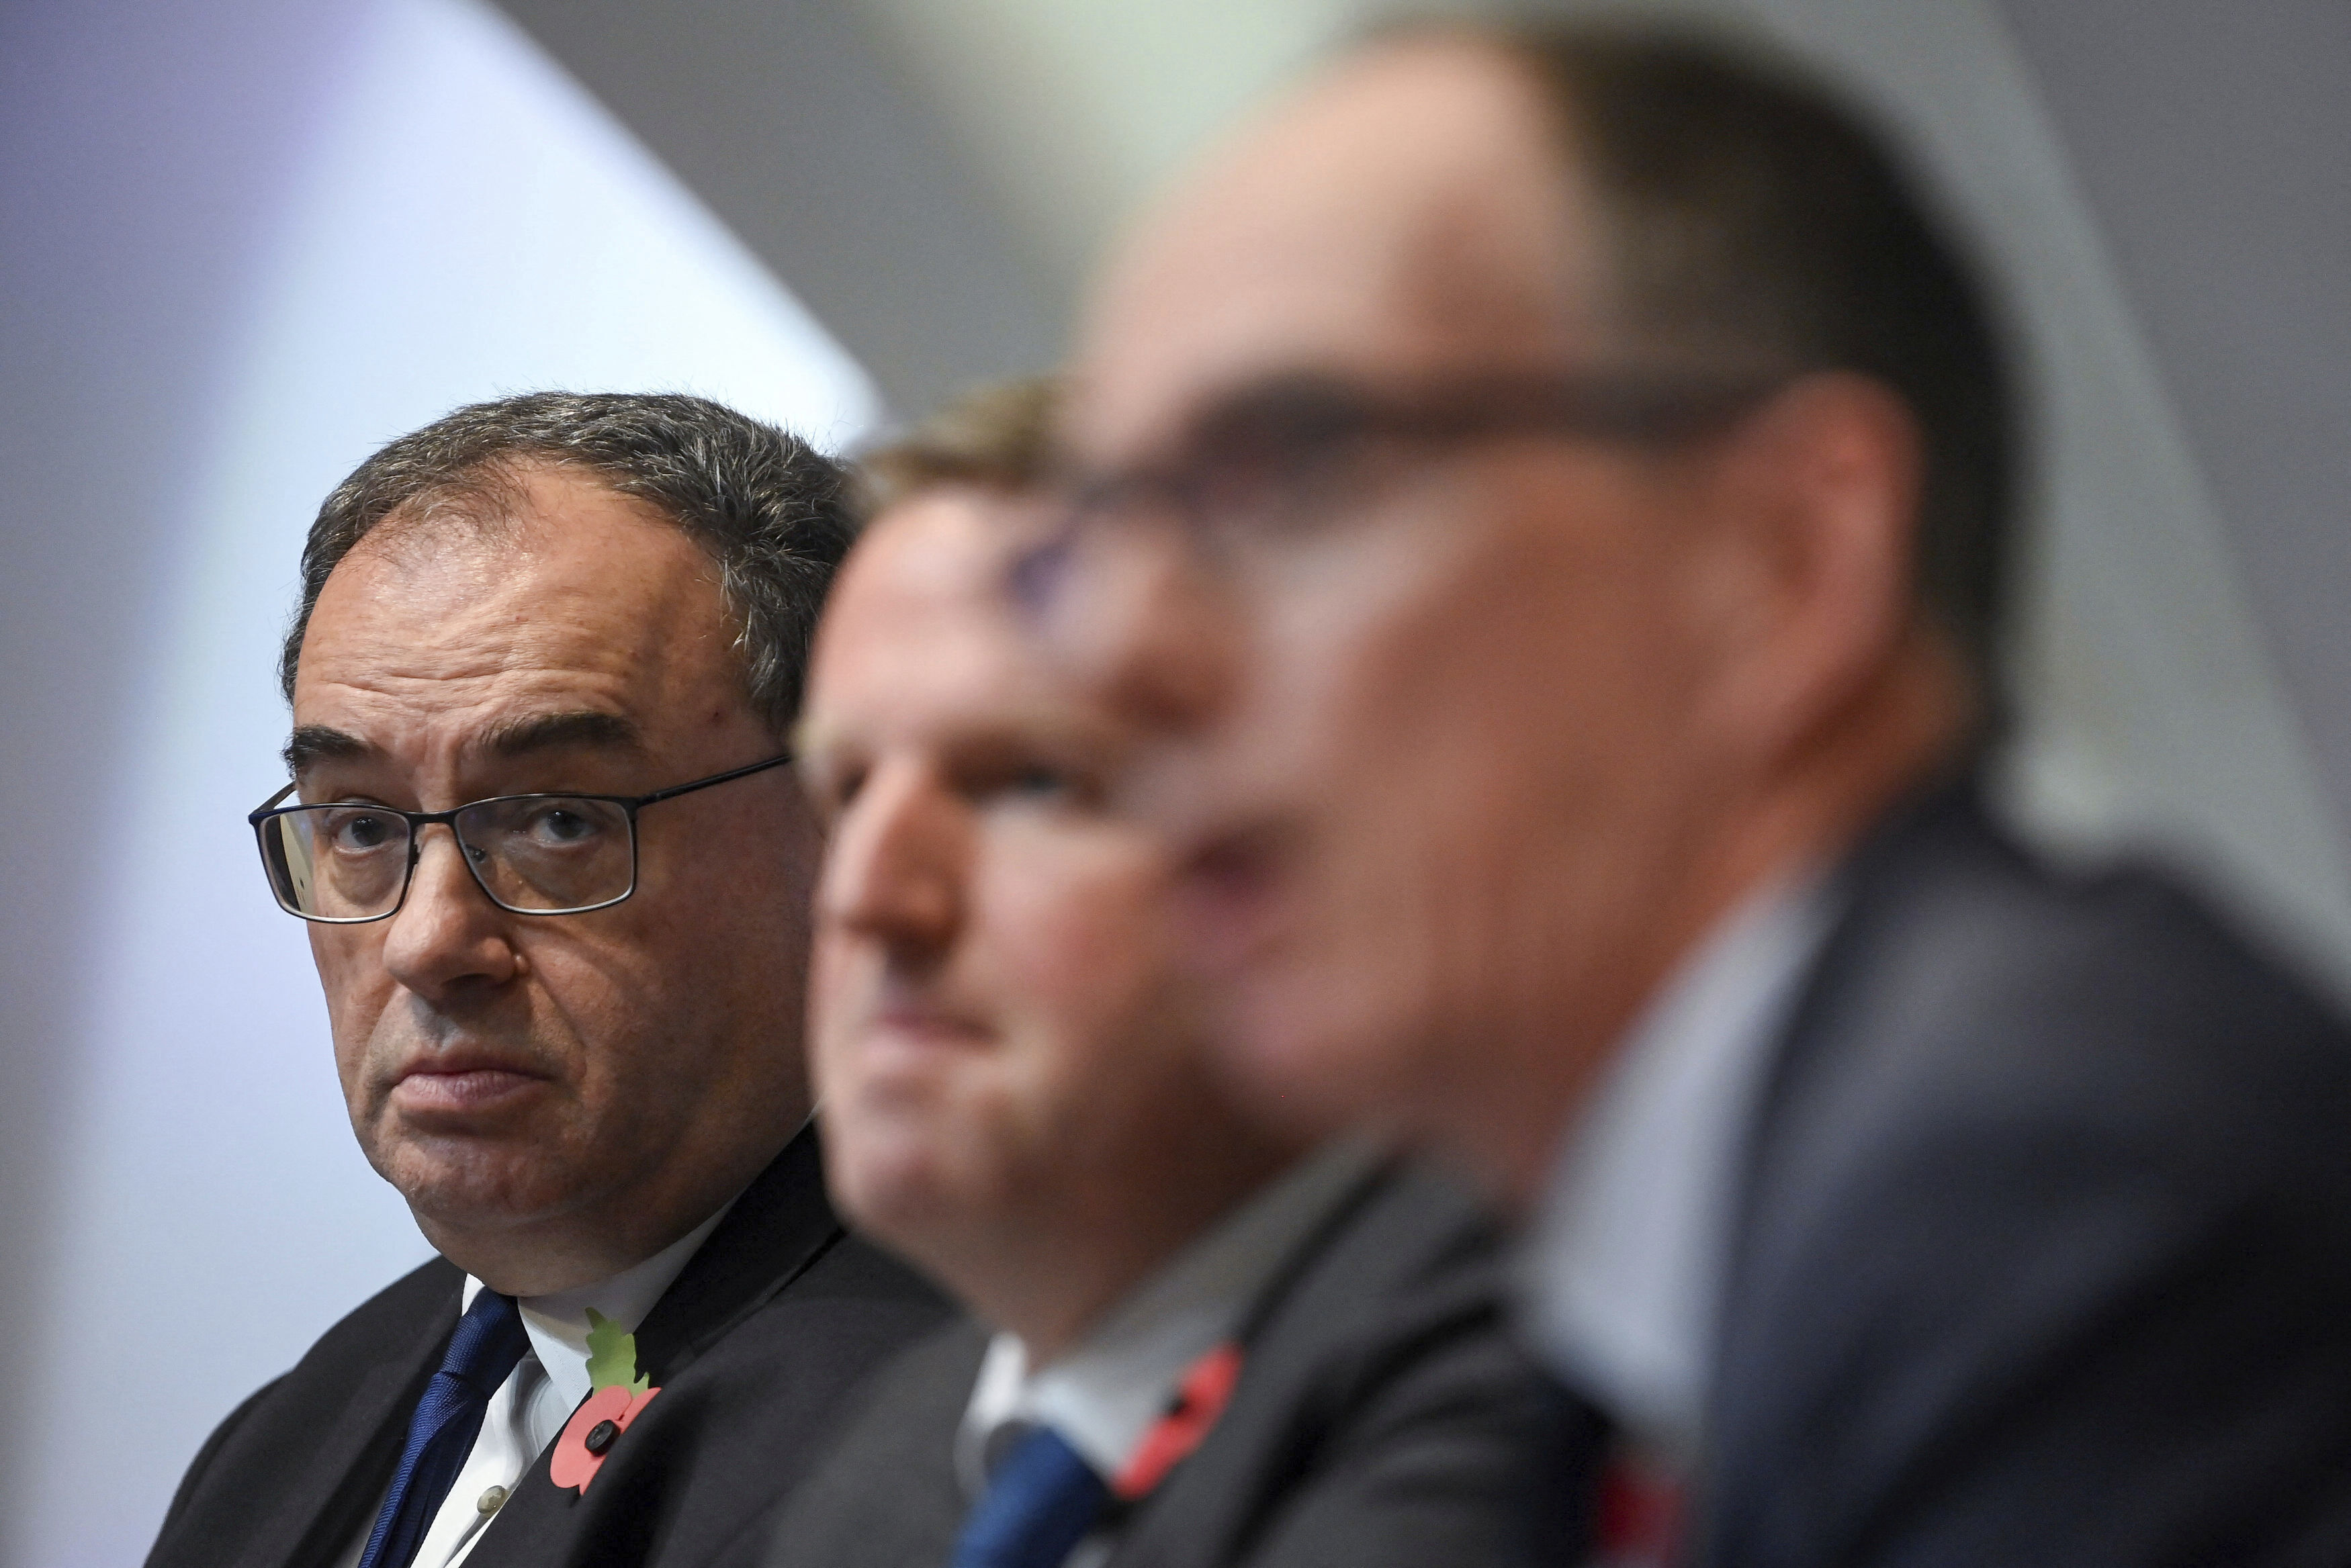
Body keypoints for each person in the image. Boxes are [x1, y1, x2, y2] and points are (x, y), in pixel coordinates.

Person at [1025, 21, 2351, 1564]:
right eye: (1094, 534)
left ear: (1780, 562)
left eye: (1287, 470)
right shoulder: (1669, 1313)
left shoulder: (2050, 1179)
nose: (1111, 658)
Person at [767, 381, 1577, 1568]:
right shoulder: (894, 1452)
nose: (868, 898)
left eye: (1034, 782)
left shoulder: (1527, 1365)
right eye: (845, 792)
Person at [146, 392, 950, 1568]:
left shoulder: (938, 1449)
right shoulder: (285, 1440)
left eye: (560, 820)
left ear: (845, 828)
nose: (427, 942)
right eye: (360, 826)